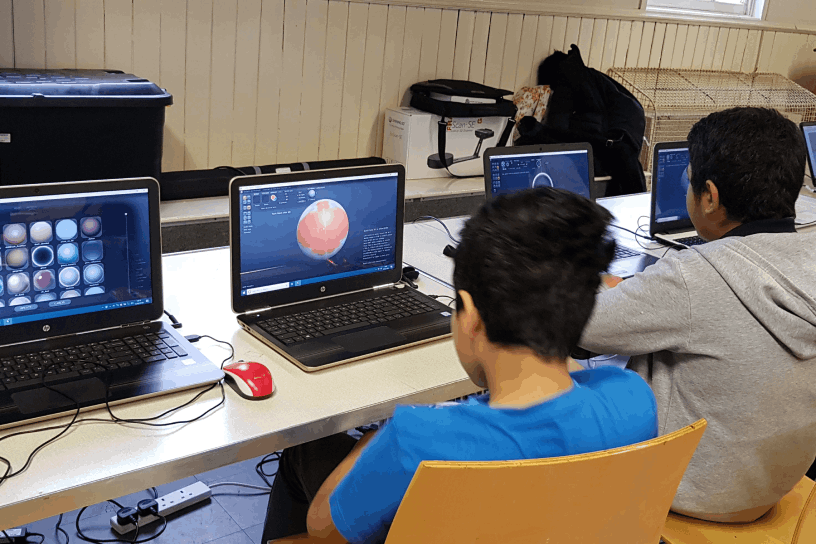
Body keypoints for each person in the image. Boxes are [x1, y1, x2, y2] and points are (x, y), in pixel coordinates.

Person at [261, 188, 658, 543]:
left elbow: (323, 528)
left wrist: (370, 443)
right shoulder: (633, 399)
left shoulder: (416, 441)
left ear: (470, 316)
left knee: (304, 452)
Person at [579, 106, 816, 523]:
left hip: (686, 493)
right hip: (770, 488)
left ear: (710, 197)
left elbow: (580, 324)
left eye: (687, 180)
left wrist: (603, 285)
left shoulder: (695, 275)